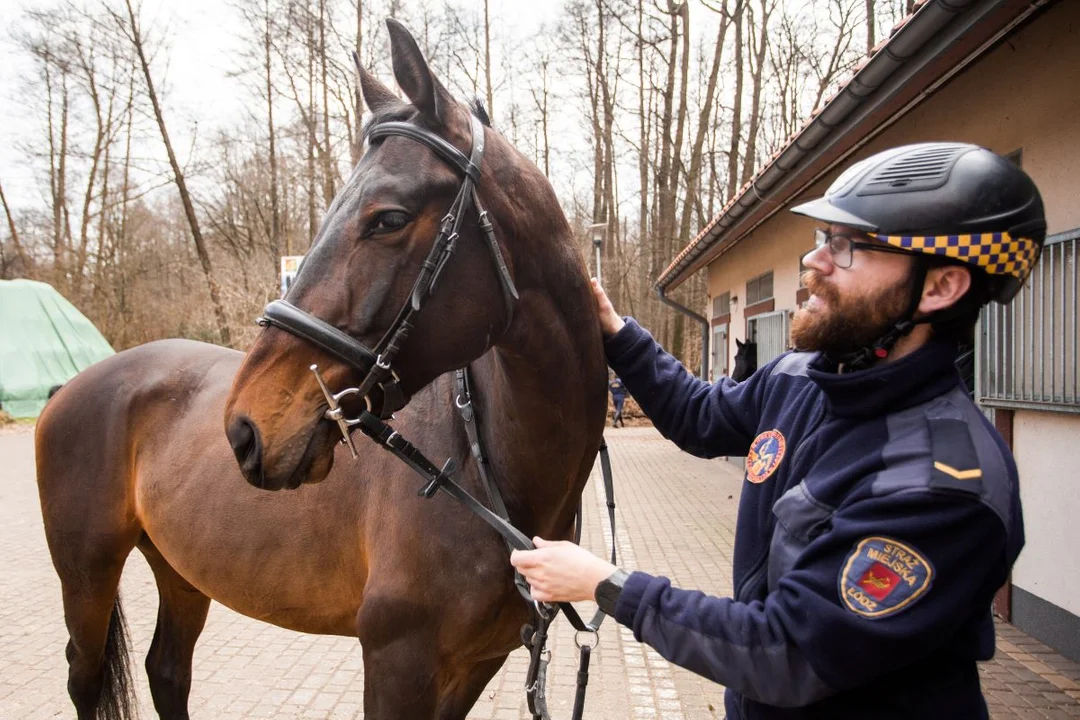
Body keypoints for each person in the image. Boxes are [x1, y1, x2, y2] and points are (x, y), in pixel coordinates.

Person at [511, 143, 1045, 719]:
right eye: (823, 239)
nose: (814, 263)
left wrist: (605, 583)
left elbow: (786, 652)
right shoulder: (801, 379)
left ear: (939, 287)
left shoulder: (941, 486)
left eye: (846, 247)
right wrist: (615, 331)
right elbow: (699, 416)